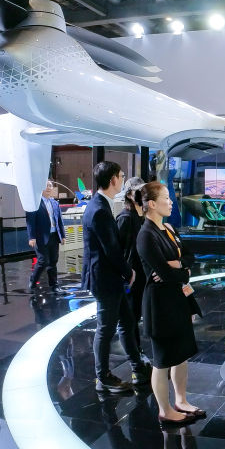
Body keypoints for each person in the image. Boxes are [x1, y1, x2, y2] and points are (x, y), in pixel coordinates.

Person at [136, 181, 203, 427]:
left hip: (178, 300)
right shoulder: (145, 235)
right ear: (152, 204)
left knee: (181, 354)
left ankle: (181, 400)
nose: (171, 202)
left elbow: (190, 257)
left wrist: (179, 265)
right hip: (160, 305)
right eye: (166, 197)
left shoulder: (168, 228)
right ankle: (165, 410)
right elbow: (164, 273)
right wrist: (182, 271)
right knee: (162, 360)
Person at [82, 162, 148, 394]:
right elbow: (111, 249)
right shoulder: (99, 209)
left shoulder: (100, 205)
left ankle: (137, 366)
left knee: (127, 323)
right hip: (104, 279)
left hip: (110, 278)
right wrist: (129, 272)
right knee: (106, 328)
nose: (122, 179)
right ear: (112, 180)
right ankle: (103, 377)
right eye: (121, 176)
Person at [117, 176, 148, 363]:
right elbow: (118, 250)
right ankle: (135, 355)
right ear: (130, 195)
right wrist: (127, 274)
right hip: (131, 276)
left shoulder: (141, 217)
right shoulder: (126, 218)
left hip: (143, 275)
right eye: (139, 191)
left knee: (137, 314)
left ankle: (138, 352)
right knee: (130, 317)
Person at [26, 180, 65, 292]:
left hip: (54, 236)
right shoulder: (35, 203)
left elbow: (59, 220)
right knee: (43, 261)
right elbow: (30, 221)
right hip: (40, 237)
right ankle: (33, 281)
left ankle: (54, 285)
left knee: (53, 261)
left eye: (50, 186)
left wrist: (62, 235)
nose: (48, 188)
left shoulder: (55, 203)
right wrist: (31, 237)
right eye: (46, 186)